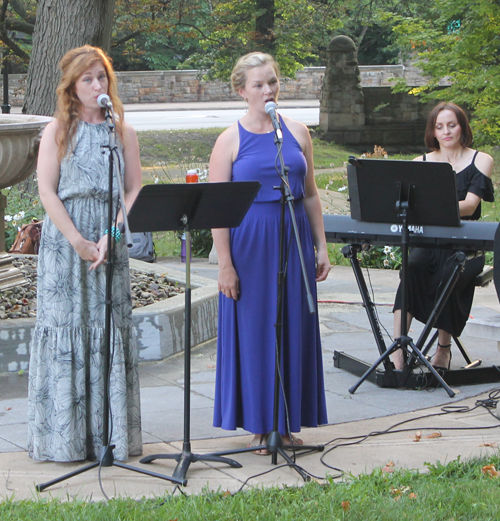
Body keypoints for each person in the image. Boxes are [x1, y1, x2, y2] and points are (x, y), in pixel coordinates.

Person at [209, 52, 330, 454]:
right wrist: (225, 264)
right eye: (258, 84)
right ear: (242, 91)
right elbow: (218, 210)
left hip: (293, 240)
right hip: (250, 245)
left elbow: (310, 193)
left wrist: (321, 246)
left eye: (273, 82)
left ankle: (288, 421)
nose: (268, 90)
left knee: (292, 327)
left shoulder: (297, 132)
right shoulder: (229, 140)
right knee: (257, 331)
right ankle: (261, 425)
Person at [28, 45, 143, 462]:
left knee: (107, 330)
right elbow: (46, 191)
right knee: (67, 332)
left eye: (102, 78)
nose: (98, 86)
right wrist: (77, 239)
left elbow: (132, 189)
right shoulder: (58, 131)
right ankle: (66, 439)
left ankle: (107, 437)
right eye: (88, 79)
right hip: (66, 243)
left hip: (109, 239)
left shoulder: (122, 132)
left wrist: (111, 235)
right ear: (72, 88)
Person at [392, 102, 494, 371]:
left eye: (452, 125)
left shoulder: (480, 159)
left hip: (466, 244)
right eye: (439, 127)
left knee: (453, 270)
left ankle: (443, 349)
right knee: (412, 266)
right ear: (433, 132)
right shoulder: (421, 163)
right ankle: (399, 348)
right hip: (430, 241)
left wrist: (431, 207)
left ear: (462, 126)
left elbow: (470, 205)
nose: (446, 131)